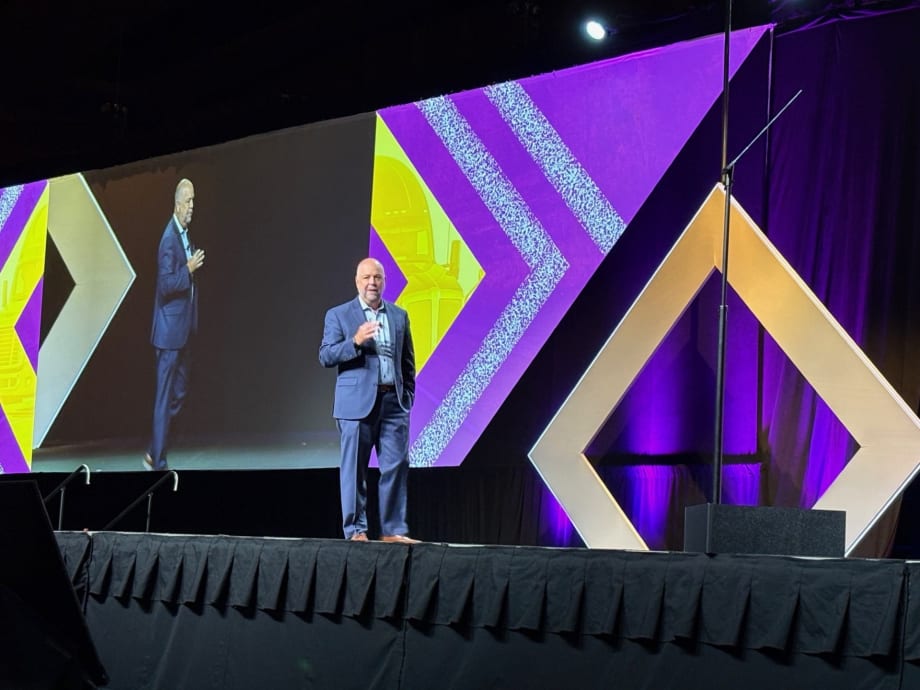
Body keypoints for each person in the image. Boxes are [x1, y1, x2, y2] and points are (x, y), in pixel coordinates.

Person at [319, 257, 418, 543]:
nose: (372, 283)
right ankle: (355, 531)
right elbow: (325, 355)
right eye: (366, 278)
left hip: (393, 404)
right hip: (355, 406)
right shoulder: (338, 315)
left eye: (377, 278)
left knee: (396, 467)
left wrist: (406, 396)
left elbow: (407, 362)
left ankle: (393, 531)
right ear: (357, 281)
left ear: (384, 282)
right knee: (354, 470)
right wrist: (354, 342)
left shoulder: (399, 316)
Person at [144, 178, 205, 471]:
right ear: (177, 203)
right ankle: (158, 461)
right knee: (164, 397)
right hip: (168, 334)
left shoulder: (184, 234)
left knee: (179, 394)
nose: (193, 206)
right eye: (189, 201)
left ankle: (154, 447)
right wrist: (188, 268)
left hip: (183, 332)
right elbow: (167, 284)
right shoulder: (168, 239)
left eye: (194, 201)